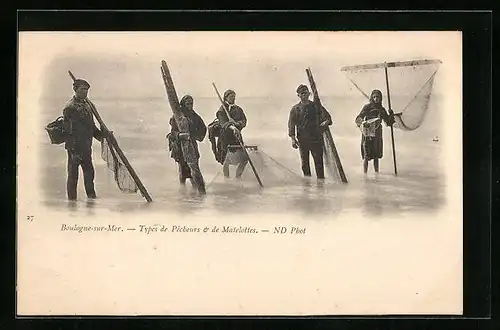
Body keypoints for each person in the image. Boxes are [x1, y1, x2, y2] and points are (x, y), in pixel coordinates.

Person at [62, 79, 104, 200]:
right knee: (73, 176)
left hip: (86, 146)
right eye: (82, 89)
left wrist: (102, 136)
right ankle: (72, 202)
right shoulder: (70, 107)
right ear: (75, 90)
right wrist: (74, 150)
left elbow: (91, 127)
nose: (85, 92)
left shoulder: (88, 105)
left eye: (86, 90)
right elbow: (68, 131)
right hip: (74, 147)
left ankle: (91, 199)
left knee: (89, 174)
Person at [288, 84, 332, 179]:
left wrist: (326, 122)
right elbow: (291, 124)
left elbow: (328, 117)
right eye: (302, 93)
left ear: (309, 94)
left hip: (316, 138)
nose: (304, 95)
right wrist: (293, 139)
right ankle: (308, 188)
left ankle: (321, 187)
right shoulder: (295, 109)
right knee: (305, 164)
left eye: (306, 93)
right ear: (298, 95)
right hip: (302, 140)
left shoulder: (315, 106)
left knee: (319, 163)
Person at [167, 95, 207, 194]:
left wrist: (195, 136)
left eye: (191, 103)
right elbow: (172, 132)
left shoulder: (194, 116)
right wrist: (180, 136)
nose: (190, 105)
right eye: (188, 104)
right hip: (180, 147)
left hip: (192, 145)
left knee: (194, 167)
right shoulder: (177, 116)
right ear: (183, 104)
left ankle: (197, 192)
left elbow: (203, 128)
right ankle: (183, 192)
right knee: (182, 170)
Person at [354, 89, 395, 174]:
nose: (376, 99)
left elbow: (388, 123)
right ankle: (365, 175)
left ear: (380, 98)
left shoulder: (382, 109)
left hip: (377, 134)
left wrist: (391, 114)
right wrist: (363, 122)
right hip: (367, 133)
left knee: (376, 156)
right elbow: (358, 118)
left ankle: (377, 175)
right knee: (366, 156)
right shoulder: (367, 107)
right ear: (372, 98)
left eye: (378, 97)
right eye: (374, 97)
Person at [215, 89, 248, 179]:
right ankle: (227, 179)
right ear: (226, 98)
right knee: (226, 161)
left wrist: (236, 124)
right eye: (231, 97)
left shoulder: (238, 109)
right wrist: (232, 127)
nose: (233, 98)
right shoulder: (222, 109)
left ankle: (238, 177)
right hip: (226, 138)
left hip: (237, 137)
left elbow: (244, 121)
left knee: (244, 159)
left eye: (234, 96)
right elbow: (222, 123)